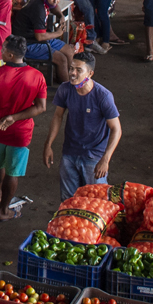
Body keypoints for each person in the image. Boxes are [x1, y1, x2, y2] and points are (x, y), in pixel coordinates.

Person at [0, 34, 50, 221]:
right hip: (21, 132)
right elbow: (41, 107)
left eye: (3, 50)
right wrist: (14, 117)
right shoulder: (37, 76)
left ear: (11, 55)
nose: (0, 52)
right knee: (12, 172)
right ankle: (4, 210)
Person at [42, 50, 120, 201]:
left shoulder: (103, 96)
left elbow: (116, 129)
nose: (72, 73)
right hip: (69, 153)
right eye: (71, 68)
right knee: (68, 201)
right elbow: (58, 116)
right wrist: (48, 144)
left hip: (94, 156)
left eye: (78, 70)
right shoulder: (65, 89)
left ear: (90, 73)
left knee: (97, 202)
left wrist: (105, 159)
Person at [18, 0, 79, 84]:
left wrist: (61, 16)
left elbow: (54, 7)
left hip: (39, 38)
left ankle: (65, 80)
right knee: (62, 59)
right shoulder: (38, 9)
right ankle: (67, 89)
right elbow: (40, 37)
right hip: (28, 42)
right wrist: (58, 34)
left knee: (69, 51)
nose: (56, 0)